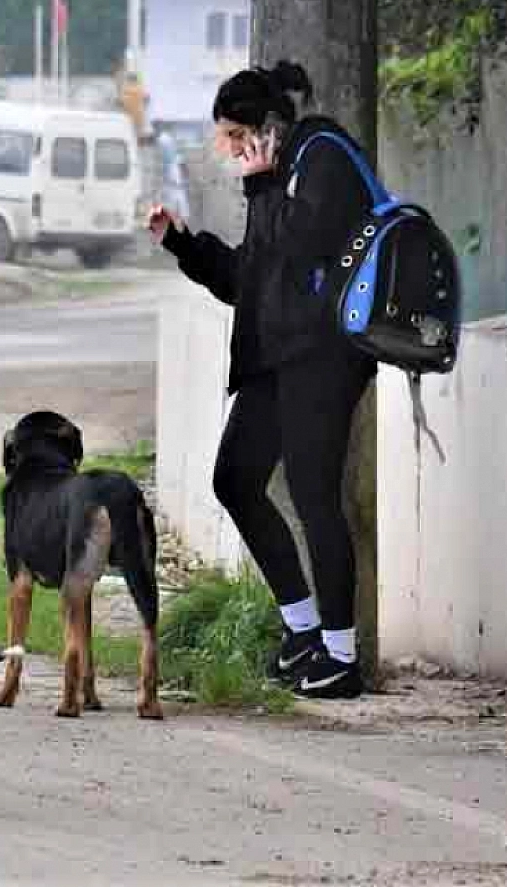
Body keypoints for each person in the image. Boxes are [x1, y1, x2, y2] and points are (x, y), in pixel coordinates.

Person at [146, 61, 376, 699]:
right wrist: (183, 244)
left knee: (314, 496)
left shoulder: (322, 156)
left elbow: (306, 249)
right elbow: (250, 278)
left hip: (325, 358)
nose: (228, 152)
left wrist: (262, 188)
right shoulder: (275, 180)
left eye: (232, 138)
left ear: (263, 129)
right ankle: (301, 629)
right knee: (235, 479)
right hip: (278, 359)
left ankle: (341, 654)